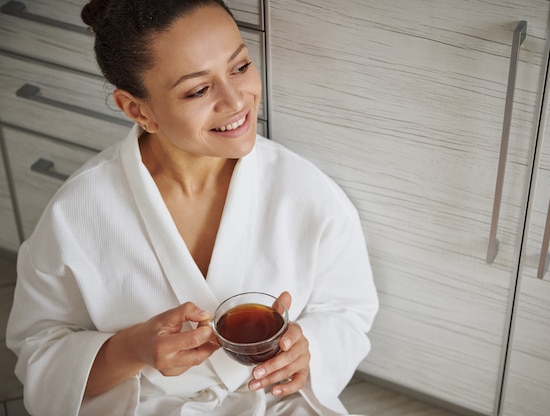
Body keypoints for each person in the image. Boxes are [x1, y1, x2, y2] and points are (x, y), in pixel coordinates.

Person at [5, 0, 378, 415]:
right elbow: (39, 349)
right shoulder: (77, 212)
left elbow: (347, 310)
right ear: (137, 108)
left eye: (239, 67)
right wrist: (130, 349)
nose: (237, 101)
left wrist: (307, 351)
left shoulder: (306, 191)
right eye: (199, 90)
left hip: (274, 400)